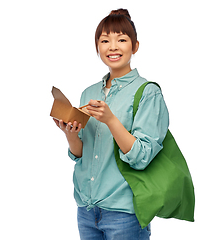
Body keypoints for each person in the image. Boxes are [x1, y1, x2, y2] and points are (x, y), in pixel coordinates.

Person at [53, 8, 169, 240]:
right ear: (97, 46)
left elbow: (142, 156)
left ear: (135, 46)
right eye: (105, 40)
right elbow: (81, 154)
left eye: (121, 39)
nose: (112, 47)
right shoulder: (89, 92)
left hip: (125, 212)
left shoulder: (147, 93)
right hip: (86, 210)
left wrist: (111, 120)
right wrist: (70, 134)